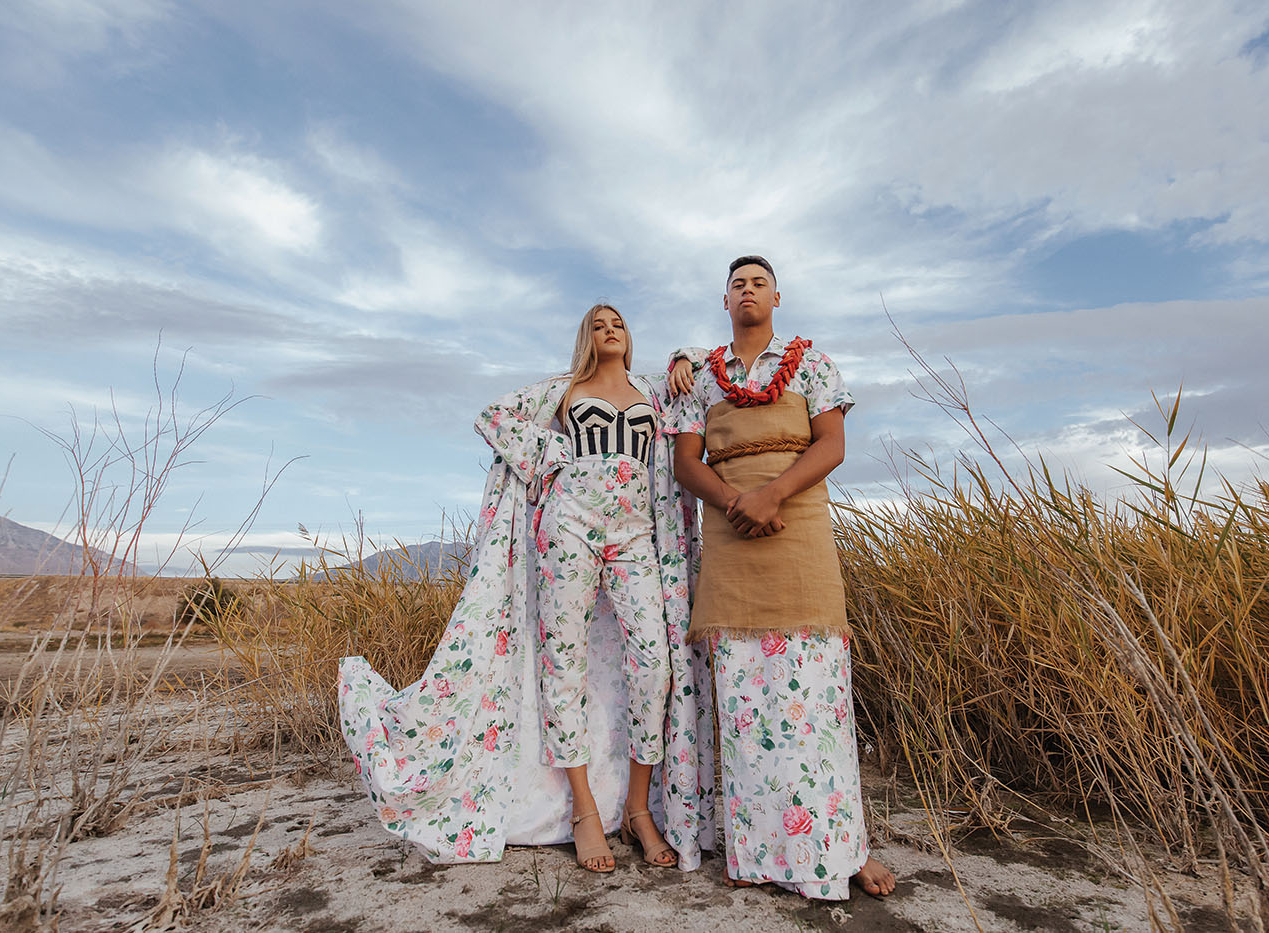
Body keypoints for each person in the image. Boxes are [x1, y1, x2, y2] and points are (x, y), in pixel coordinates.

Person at [339, 303, 717, 874]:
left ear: (630, 336)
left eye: (618, 323)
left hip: (637, 531)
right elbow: (492, 415)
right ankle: (585, 812)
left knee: (655, 664)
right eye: (598, 324)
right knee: (562, 663)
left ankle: (640, 807)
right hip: (568, 526)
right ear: (585, 337)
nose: (610, 330)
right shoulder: (563, 391)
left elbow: (710, 368)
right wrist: (552, 453)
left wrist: (684, 355)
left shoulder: (654, 389)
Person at [670, 256, 897, 899]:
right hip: (729, 531)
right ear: (725, 299)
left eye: (758, 283)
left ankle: (840, 852)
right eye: (737, 284)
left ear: (777, 296)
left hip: (796, 530)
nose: (748, 290)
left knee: (816, 699)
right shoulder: (698, 376)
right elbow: (688, 461)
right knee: (746, 702)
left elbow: (832, 445)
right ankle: (761, 856)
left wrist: (771, 495)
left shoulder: (813, 363)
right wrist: (737, 502)